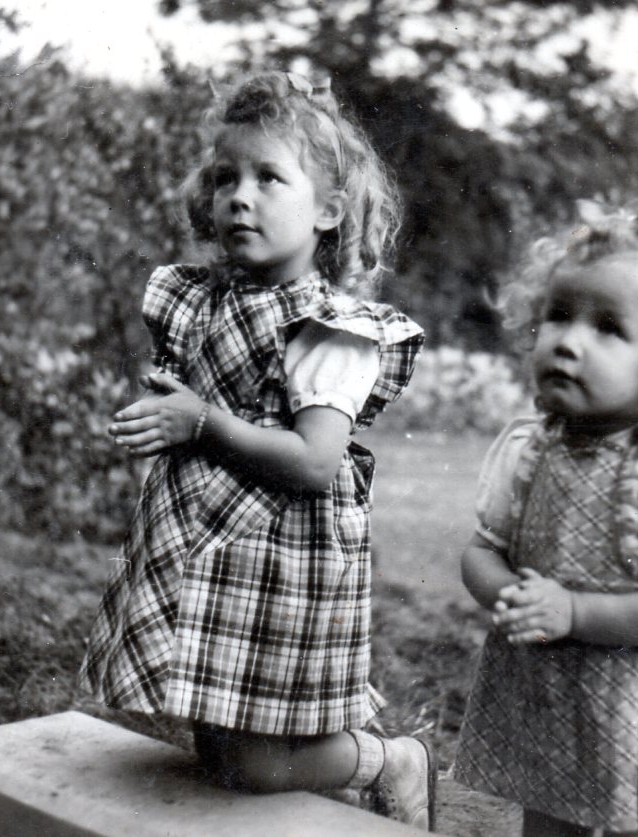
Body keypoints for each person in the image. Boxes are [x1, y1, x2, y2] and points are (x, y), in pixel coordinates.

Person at [78, 72, 434, 830]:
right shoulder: (203, 299)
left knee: (252, 762)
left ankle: (392, 760)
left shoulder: (329, 332)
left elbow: (314, 461)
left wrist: (201, 422)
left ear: (328, 210)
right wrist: (171, 410)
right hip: (212, 552)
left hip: (279, 563)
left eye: (269, 177)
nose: (241, 196)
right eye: (225, 177)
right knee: (219, 745)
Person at [452, 184, 638, 836]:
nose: (569, 342)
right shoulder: (527, 448)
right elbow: (481, 551)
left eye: (608, 328)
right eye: (558, 316)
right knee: (549, 813)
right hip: (554, 686)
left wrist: (573, 612)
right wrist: (512, 596)